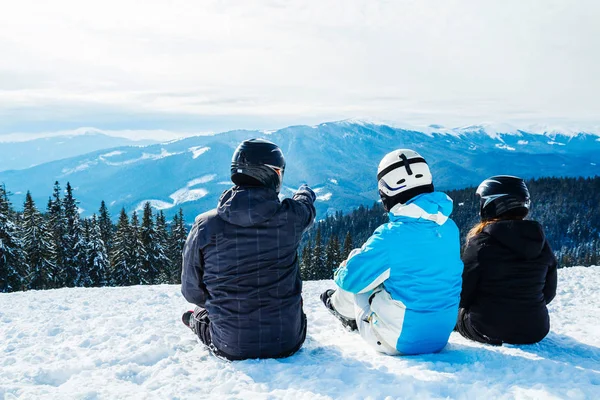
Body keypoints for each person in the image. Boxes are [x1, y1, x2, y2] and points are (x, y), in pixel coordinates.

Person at [181, 138, 316, 360]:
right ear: (272, 173)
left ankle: (196, 321)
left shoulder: (205, 225)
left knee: (199, 314)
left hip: (231, 345)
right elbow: (306, 206)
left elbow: (191, 291)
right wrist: (305, 192)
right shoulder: (292, 217)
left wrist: (223, 306)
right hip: (289, 340)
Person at [321, 149, 463, 355]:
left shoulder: (391, 236)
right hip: (440, 336)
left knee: (358, 262)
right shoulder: (449, 228)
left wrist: (343, 268)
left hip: (399, 341)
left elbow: (351, 281)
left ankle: (340, 309)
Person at [456, 175, 557, 345]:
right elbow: (549, 292)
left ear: (492, 203)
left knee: (453, 315)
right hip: (536, 329)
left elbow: (463, 293)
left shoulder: (481, 243)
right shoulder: (540, 241)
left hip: (488, 328)